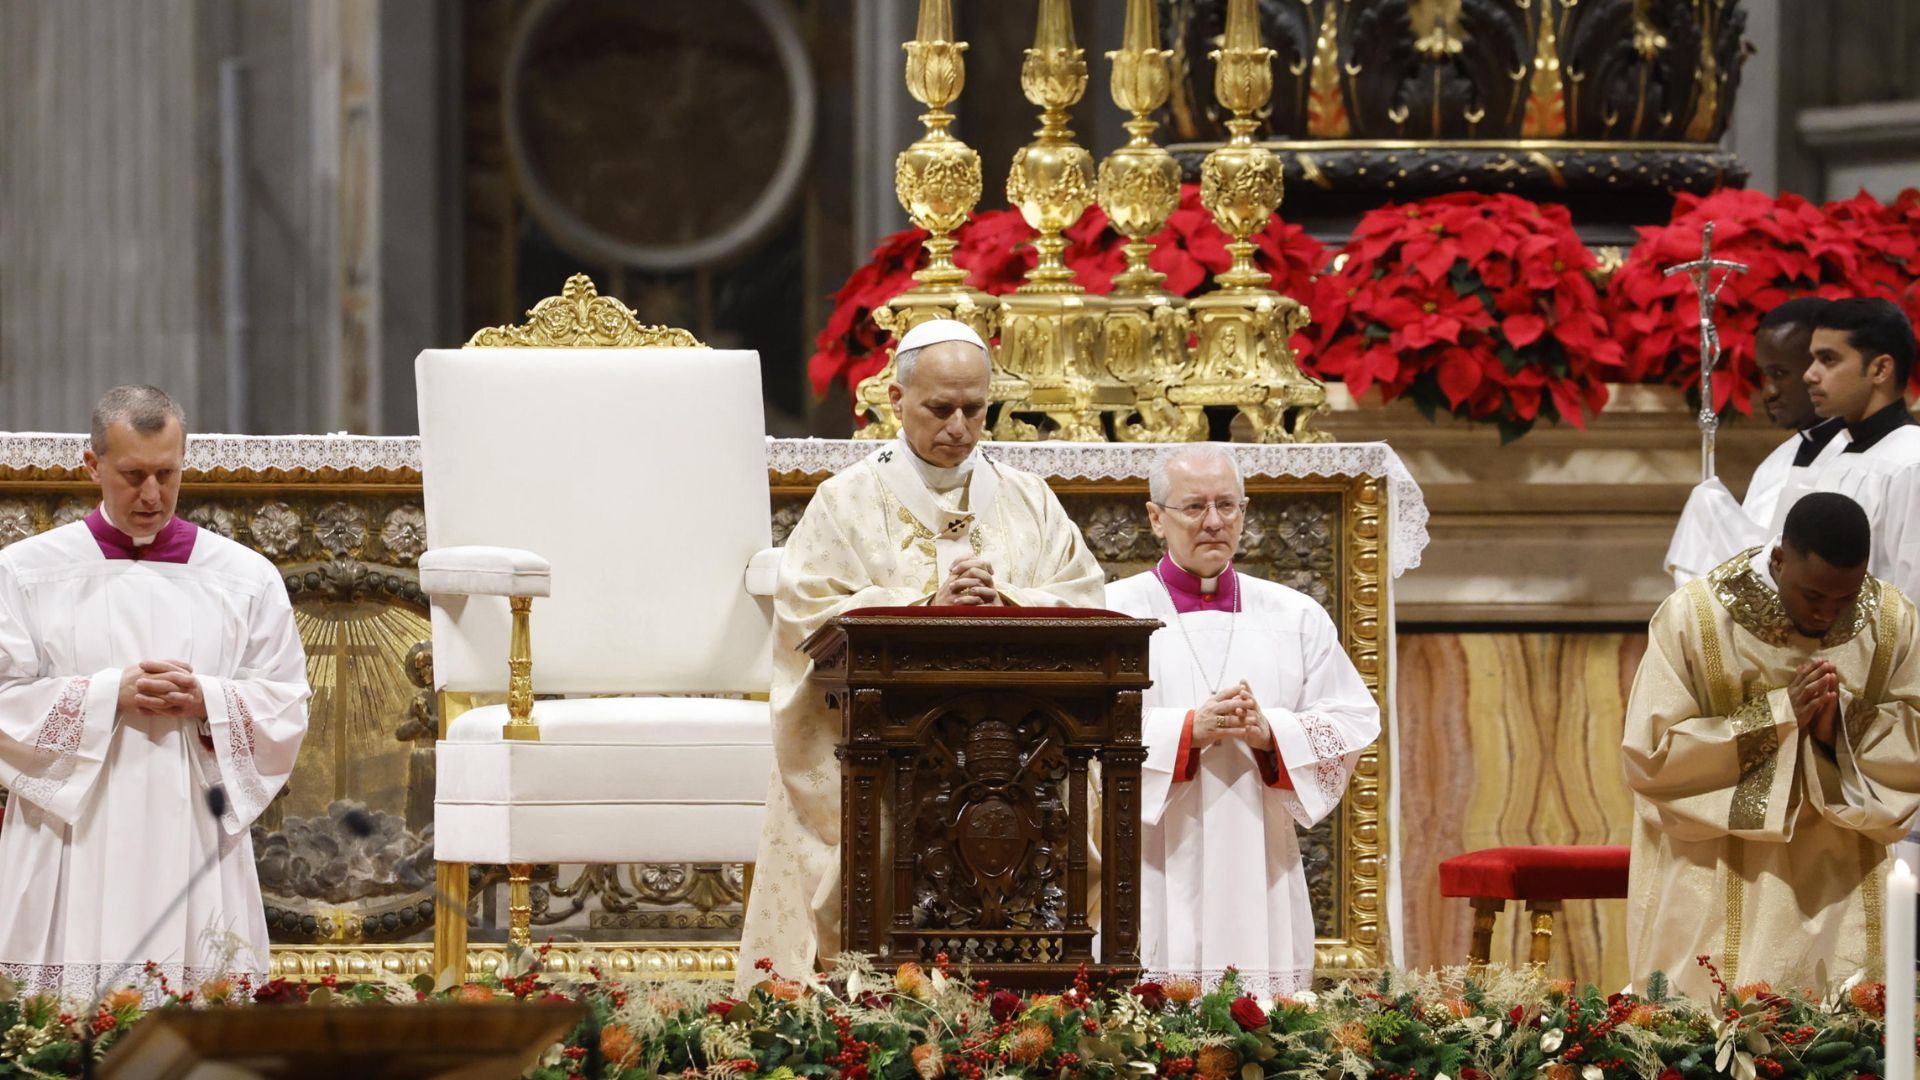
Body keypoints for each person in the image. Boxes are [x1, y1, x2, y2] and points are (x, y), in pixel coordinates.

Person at [737, 320, 1105, 983]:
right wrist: (923, 606)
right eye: (940, 407)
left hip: (1017, 754)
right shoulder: (845, 501)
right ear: (897, 400)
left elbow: (1087, 599)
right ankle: (870, 994)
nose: (959, 426)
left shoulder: (1030, 500)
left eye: (975, 409)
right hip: (883, 751)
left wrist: (1010, 601)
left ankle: (1026, 992)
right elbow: (808, 616)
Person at [0, 386, 309, 999]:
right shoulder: (27, 572)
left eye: (167, 474)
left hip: (193, 825)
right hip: (71, 832)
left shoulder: (244, 578)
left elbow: (286, 702)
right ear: (92, 466)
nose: (151, 495)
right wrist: (109, 693)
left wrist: (210, 699)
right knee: (54, 1030)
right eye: (132, 475)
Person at [1103, 445, 1379, 996]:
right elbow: (1079, 734)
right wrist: (1186, 731)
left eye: (1227, 506)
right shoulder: (1111, 614)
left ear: (1245, 512)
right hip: (1155, 854)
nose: (1213, 522)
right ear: (1156, 517)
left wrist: (1272, 732)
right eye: (1194, 507)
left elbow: (1351, 718)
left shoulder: (1294, 615)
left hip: (1260, 853)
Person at [1624, 492, 1920, 997]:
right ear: (1779, 559)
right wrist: (1779, 717)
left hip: (1844, 881)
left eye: (1845, 598)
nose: (1828, 613)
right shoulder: (1695, 619)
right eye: (1813, 597)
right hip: (1719, 874)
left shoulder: (1889, 621)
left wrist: (1839, 724)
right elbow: (1652, 756)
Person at [1666, 298, 1848, 585]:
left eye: (1780, 374)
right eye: (1764, 375)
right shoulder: (1775, 463)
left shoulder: (1864, 458)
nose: (1768, 392)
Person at [1771, 298, 1920, 597]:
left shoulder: (1911, 462)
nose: (1809, 374)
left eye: (1828, 359)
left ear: (1880, 369)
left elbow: (1913, 597)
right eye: (1812, 359)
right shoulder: (1835, 454)